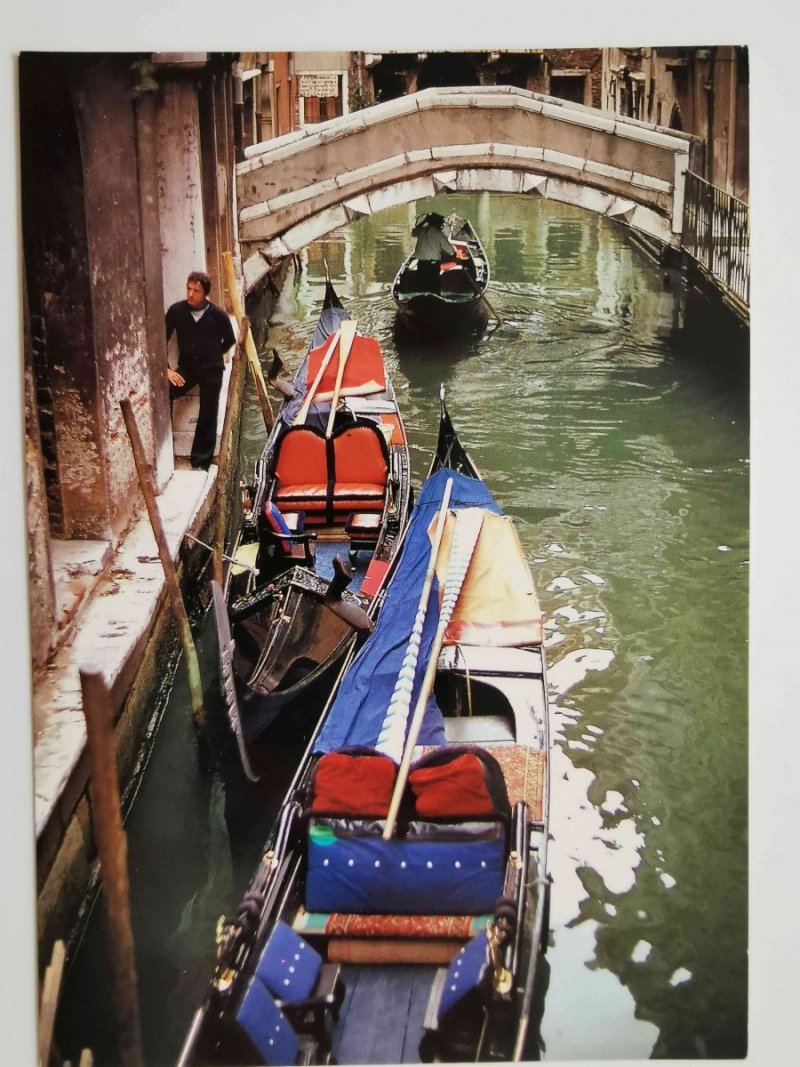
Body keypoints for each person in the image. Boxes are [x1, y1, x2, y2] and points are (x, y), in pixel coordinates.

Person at [165, 271, 236, 470]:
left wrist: (214, 354)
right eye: (189, 288)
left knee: (209, 411)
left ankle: (200, 461)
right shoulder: (176, 311)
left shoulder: (218, 314)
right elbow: (160, 338)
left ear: (205, 293)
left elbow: (229, 340)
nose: (190, 294)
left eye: (196, 290)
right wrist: (167, 370)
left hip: (211, 369)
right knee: (165, 392)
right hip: (186, 369)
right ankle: (165, 451)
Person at [411, 212, 455, 292]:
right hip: (433, 266)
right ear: (438, 224)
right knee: (434, 287)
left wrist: (424, 221)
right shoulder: (439, 234)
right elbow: (451, 252)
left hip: (421, 264)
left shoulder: (421, 231)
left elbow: (413, 232)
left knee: (422, 286)